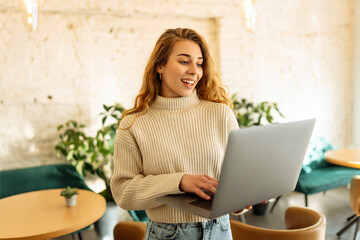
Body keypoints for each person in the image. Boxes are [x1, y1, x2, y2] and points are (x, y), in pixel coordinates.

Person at [110, 28, 251, 240]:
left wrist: (241, 200)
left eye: (199, 63)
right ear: (160, 66)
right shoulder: (133, 125)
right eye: (184, 61)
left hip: (220, 229)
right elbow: (123, 193)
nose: (195, 70)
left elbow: (235, 178)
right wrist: (180, 181)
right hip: (168, 234)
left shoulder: (221, 114)